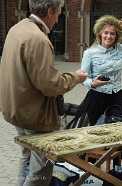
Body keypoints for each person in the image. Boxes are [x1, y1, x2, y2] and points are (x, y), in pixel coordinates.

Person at [0, 0, 88, 185]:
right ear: (49, 11)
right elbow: (49, 85)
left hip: (17, 109)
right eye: (59, 12)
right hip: (34, 115)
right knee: (41, 168)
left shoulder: (18, 28)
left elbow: (33, 74)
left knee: (27, 156)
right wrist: (76, 77)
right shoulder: (38, 39)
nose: (58, 18)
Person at [78, 15, 122, 126]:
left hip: (116, 97)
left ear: (116, 35)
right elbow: (82, 77)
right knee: (95, 131)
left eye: (112, 33)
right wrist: (92, 83)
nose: (109, 36)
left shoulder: (121, 49)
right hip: (97, 97)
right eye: (106, 32)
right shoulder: (90, 53)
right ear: (100, 33)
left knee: (116, 128)